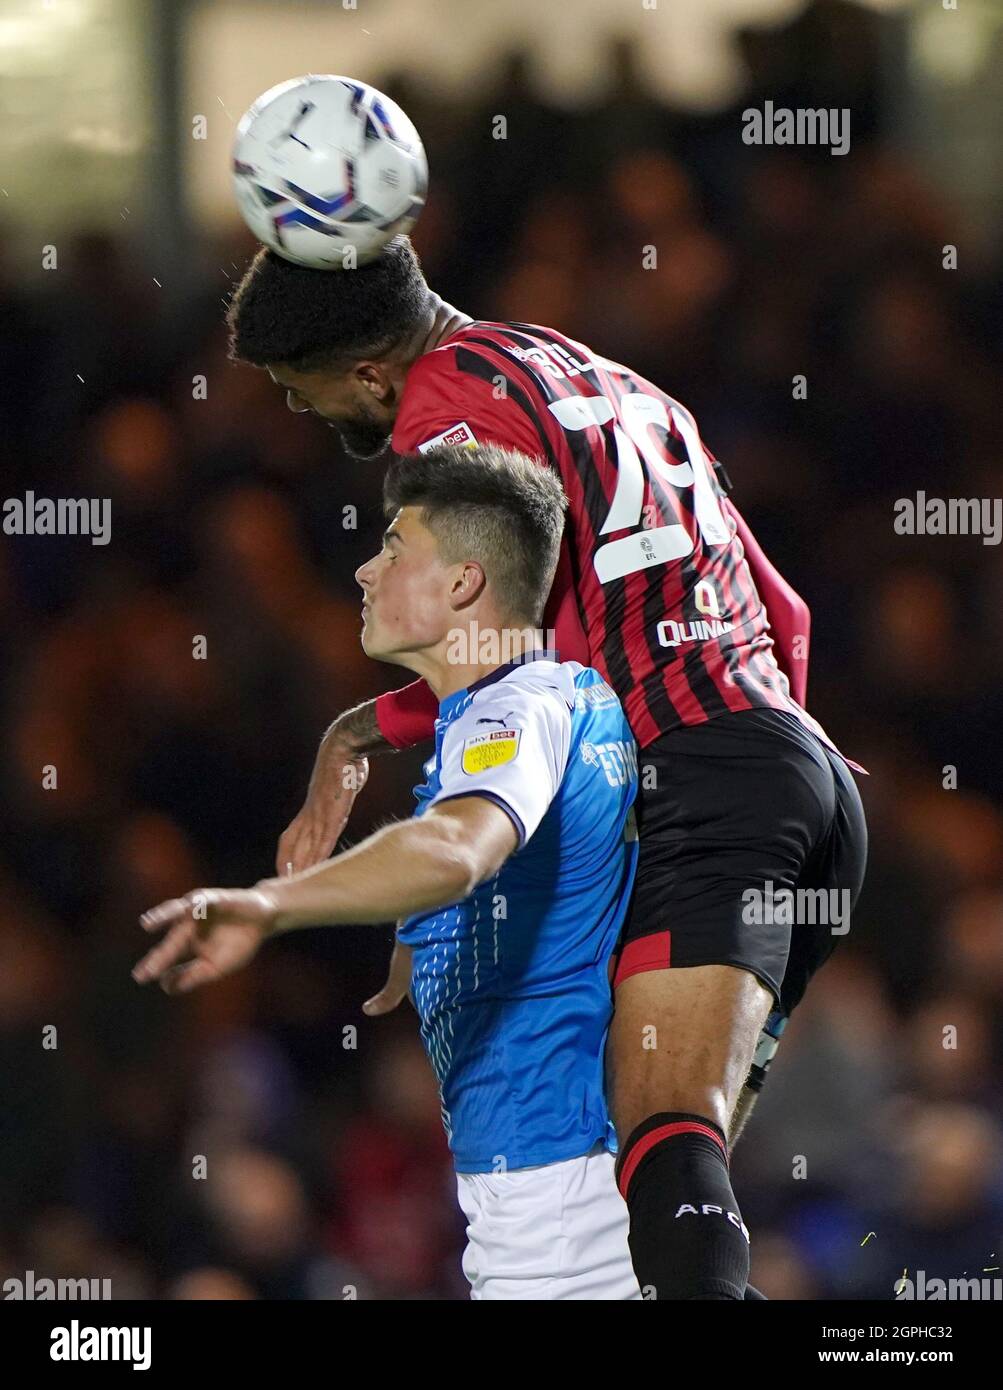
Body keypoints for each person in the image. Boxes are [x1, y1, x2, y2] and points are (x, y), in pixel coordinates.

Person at [225, 236, 868, 1300]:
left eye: (306, 395)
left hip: (699, 780)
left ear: (371, 372)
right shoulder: (601, 375)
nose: (307, 419)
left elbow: (496, 647)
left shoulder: (441, 411)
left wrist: (426, 856)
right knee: (651, 1202)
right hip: (798, 778)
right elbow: (782, 610)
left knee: (662, 1137)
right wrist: (781, 789)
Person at [134, 444, 642, 1300]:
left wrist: (269, 905)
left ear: (462, 585)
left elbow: (455, 849)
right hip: (552, 1181)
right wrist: (426, 935)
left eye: (395, 549)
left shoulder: (515, 714)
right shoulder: (548, 699)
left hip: (556, 1197)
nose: (365, 569)